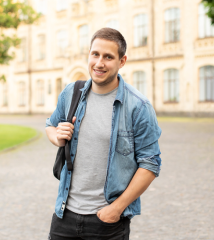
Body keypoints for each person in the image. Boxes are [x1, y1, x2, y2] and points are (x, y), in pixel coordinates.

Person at [45, 28, 162, 240]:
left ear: (122, 61)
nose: (99, 63)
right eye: (95, 54)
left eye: (108, 57)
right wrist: (57, 137)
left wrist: (116, 209)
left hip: (106, 222)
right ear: (88, 55)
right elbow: (50, 126)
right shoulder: (71, 93)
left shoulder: (138, 106)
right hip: (64, 216)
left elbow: (150, 163)